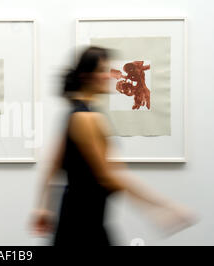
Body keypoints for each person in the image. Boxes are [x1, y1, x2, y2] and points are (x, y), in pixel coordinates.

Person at [30, 46, 195, 246]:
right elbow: (108, 175)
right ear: (85, 76)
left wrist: (43, 207)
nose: (109, 76)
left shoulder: (76, 112)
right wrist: (162, 207)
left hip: (79, 217)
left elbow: (53, 164)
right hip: (83, 222)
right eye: (102, 71)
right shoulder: (86, 118)